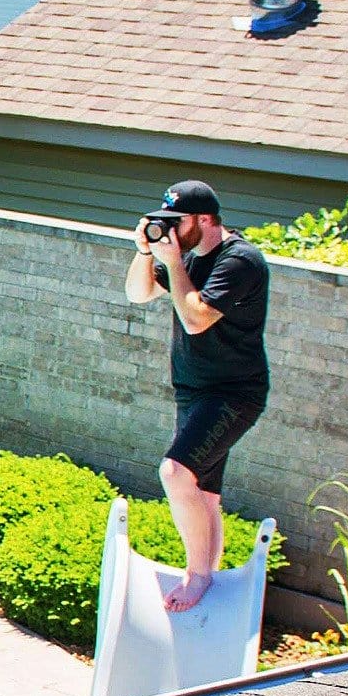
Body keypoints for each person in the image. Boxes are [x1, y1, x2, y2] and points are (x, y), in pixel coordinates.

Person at [125, 178, 271, 613]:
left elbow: (195, 320)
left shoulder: (240, 261)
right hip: (193, 389)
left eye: (177, 222)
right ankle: (211, 572)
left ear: (205, 220)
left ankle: (199, 575)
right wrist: (145, 252)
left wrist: (172, 261)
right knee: (203, 493)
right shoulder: (184, 257)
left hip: (233, 393)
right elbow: (137, 294)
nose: (168, 229)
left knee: (175, 473)